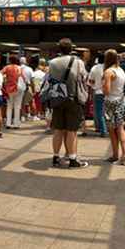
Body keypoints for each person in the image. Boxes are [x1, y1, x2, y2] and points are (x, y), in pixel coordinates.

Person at [49, 38, 89, 169]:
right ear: (71, 48)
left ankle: (55, 157)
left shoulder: (52, 62)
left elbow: (50, 79)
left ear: (59, 49)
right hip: (72, 98)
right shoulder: (78, 62)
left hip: (57, 97)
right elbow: (84, 78)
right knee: (72, 130)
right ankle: (72, 159)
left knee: (58, 129)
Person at [102, 49, 125, 165]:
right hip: (120, 101)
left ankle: (118, 155)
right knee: (120, 128)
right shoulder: (121, 70)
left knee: (113, 130)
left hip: (110, 103)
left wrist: (103, 86)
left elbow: (107, 91)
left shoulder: (108, 72)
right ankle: (122, 155)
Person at [2, 55, 24, 129]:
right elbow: (23, 77)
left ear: (10, 60)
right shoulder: (19, 68)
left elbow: (1, 74)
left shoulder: (7, 67)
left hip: (9, 88)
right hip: (18, 88)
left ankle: (8, 123)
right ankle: (16, 124)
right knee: (17, 107)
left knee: (9, 106)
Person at [88, 55, 106, 138]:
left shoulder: (94, 68)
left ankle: (101, 129)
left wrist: (92, 88)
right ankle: (109, 128)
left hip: (98, 92)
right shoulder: (109, 68)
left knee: (98, 112)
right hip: (109, 92)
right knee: (107, 111)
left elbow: (90, 81)